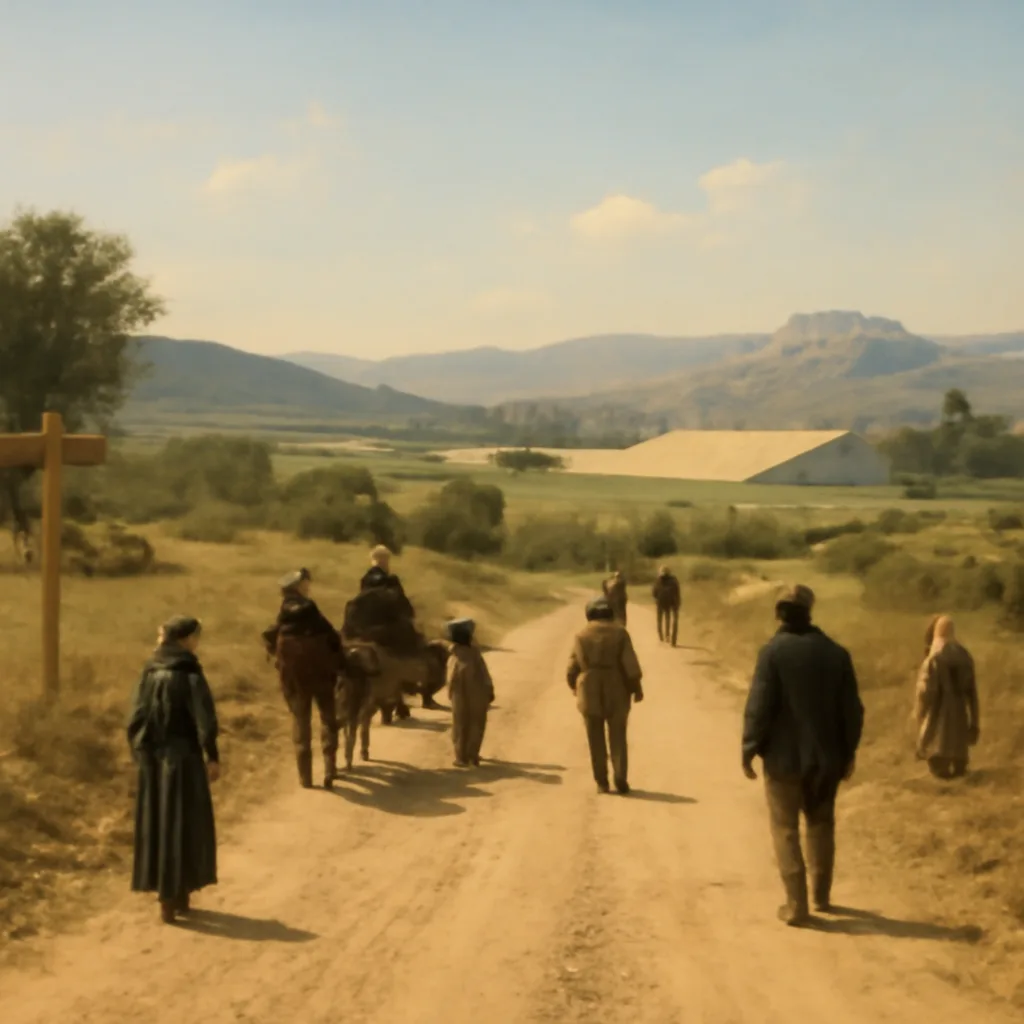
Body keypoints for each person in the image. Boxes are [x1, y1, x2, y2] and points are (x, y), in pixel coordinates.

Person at [742, 584, 864, 927]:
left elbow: (759, 706)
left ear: (778, 613)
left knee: (785, 829)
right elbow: (853, 711)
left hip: (782, 761)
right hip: (827, 760)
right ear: (810, 611)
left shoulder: (773, 653)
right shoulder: (836, 654)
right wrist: (849, 752)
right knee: (821, 824)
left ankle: (797, 906)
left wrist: (749, 747)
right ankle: (822, 896)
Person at [127, 616, 220, 925]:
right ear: (186, 639)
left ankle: (166, 898)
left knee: (157, 824)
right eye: (196, 637)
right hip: (184, 758)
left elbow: (136, 719)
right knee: (185, 823)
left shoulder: (149, 670)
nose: (197, 643)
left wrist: (140, 755)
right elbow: (204, 719)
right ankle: (179, 894)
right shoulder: (190, 671)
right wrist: (212, 756)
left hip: (153, 761)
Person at [265, 568, 342, 790]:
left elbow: (271, 637)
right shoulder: (311, 609)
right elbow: (331, 635)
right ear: (300, 586)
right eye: (307, 583)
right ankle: (329, 769)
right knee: (328, 718)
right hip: (321, 676)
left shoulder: (283, 614)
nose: (309, 586)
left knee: (301, 721)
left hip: (294, 678)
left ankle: (305, 778)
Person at [567, 597, 643, 794]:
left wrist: (574, 685)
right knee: (618, 734)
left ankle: (601, 781)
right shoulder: (620, 633)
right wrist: (636, 688)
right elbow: (630, 664)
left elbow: (572, 666)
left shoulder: (581, 635)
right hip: (616, 685)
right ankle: (620, 776)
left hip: (589, 686)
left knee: (595, 737)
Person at [913, 615, 979, 779]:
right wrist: (975, 722)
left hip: (938, 718)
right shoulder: (965, 656)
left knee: (938, 759)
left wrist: (919, 713)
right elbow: (972, 693)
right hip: (960, 717)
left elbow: (926, 692)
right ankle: (959, 770)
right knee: (959, 763)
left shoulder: (934, 659)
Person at [445, 618, 495, 768]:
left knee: (459, 723)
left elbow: (450, 680)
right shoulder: (475, 655)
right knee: (476, 723)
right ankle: (472, 756)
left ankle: (461, 757)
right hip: (478, 694)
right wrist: (490, 691)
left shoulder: (453, 657)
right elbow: (485, 675)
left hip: (458, 696)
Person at [651, 565, 681, 646]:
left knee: (661, 620)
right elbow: (677, 592)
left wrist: (656, 598)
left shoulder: (658, 580)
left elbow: (654, 592)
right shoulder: (672, 580)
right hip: (668, 603)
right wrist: (677, 602)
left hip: (662, 603)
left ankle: (663, 635)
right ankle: (665, 635)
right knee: (666, 619)